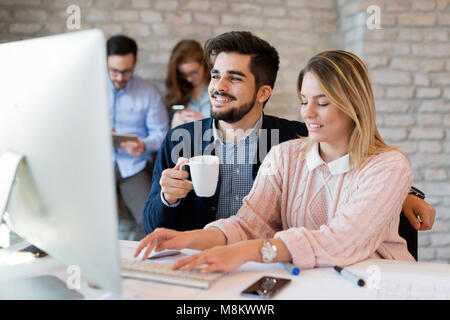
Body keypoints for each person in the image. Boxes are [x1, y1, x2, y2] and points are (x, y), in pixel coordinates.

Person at [135, 50, 418, 272]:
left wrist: (247, 251)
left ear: (354, 104)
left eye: (322, 102)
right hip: (312, 279)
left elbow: (342, 241)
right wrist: (188, 240)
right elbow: (248, 225)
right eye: (304, 101)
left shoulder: (388, 165)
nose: (308, 113)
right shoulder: (285, 154)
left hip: (381, 281)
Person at [107, 35, 169, 240]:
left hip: (132, 165)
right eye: (114, 71)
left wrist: (143, 144)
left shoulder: (148, 92)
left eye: (126, 72)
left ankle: (134, 262)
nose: (119, 77)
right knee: (79, 217)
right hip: (95, 165)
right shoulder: (88, 89)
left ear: (135, 63)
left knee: (150, 220)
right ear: (106, 61)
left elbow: (162, 135)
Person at [165, 40, 211, 128]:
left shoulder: (218, 89)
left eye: (194, 72)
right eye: (184, 74)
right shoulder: (179, 92)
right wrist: (174, 125)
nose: (189, 79)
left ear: (203, 64)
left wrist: (205, 122)